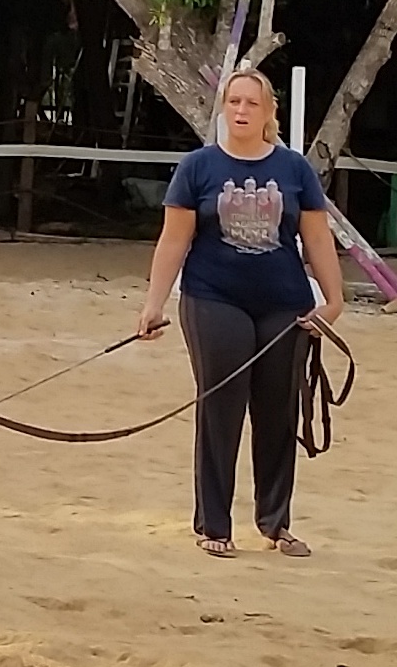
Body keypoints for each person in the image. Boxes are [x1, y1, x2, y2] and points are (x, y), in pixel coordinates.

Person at [137, 67, 344, 558]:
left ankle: (276, 523)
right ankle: (214, 524)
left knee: (277, 412)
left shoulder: (295, 170)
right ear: (223, 109)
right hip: (214, 297)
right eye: (234, 102)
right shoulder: (198, 168)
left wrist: (333, 301)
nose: (242, 111)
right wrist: (153, 303)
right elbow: (174, 239)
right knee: (221, 408)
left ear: (269, 112)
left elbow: (316, 236)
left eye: (252, 103)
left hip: (284, 303)